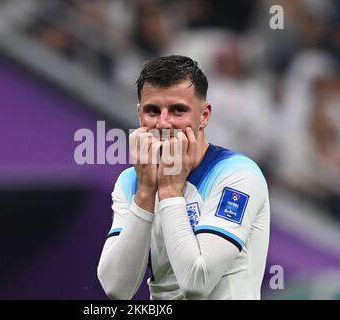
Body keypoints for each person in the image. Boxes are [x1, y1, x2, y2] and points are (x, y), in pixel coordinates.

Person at [97, 55, 270, 300]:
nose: (164, 123)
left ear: (205, 115)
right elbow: (117, 288)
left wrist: (169, 191)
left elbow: (197, 283)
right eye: (152, 111)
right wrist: (146, 192)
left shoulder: (237, 174)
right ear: (139, 115)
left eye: (178, 110)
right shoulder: (131, 181)